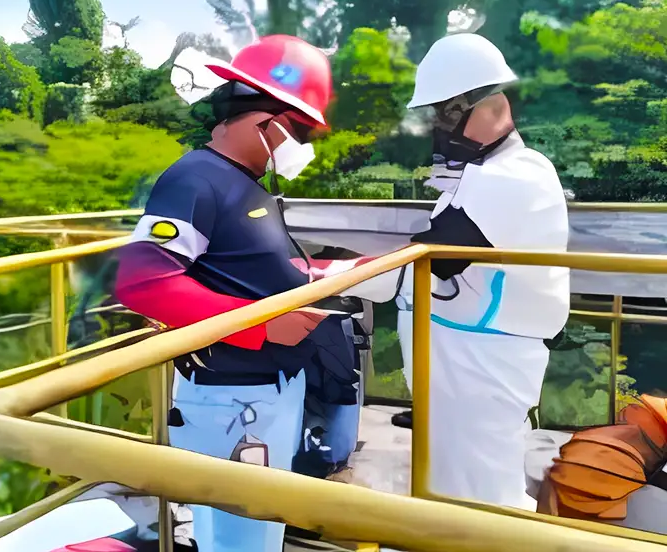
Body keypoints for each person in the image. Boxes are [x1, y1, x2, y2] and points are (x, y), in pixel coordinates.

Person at [114, 34, 367, 552]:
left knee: (260, 527)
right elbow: (141, 279)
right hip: (233, 398)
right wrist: (261, 324)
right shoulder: (195, 180)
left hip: (272, 387)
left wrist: (317, 273)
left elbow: (241, 264)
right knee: (240, 537)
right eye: (299, 130)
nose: (304, 145)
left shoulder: (249, 184)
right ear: (264, 120)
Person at [394, 33, 570, 510]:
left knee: (487, 500)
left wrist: (335, 274)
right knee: (452, 489)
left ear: (487, 105)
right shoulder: (477, 175)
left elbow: (437, 255)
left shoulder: (518, 173)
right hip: (460, 361)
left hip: (482, 365)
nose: (438, 126)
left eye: (446, 112)